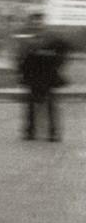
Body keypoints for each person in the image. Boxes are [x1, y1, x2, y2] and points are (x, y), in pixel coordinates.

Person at [18, 11, 70, 142]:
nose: (36, 24)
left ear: (43, 22)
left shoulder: (52, 37)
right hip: (33, 75)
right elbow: (20, 57)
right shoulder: (26, 38)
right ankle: (29, 132)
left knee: (51, 104)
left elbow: (63, 51)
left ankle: (53, 133)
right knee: (30, 104)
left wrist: (57, 63)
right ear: (31, 23)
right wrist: (22, 71)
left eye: (39, 21)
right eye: (34, 21)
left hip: (48, 75)